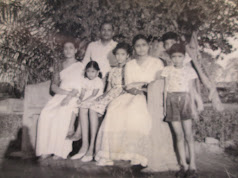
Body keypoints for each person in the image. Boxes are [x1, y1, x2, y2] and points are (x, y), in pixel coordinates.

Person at [94, 34, 165, 167]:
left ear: (148, 46)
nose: (141, 48)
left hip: (149, 95)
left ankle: (135, 153)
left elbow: (158, 82)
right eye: (138, 46)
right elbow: (128, 85)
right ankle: (112, 153)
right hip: (131, 94)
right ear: (134, 48)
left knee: (135, 111)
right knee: (115, 108)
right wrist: (137, 88)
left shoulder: (156, 62)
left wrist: (142, 86)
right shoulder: (130, 64)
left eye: (144, 45)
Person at [36, 37, 84, 160]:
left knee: (62, 114)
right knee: (45, 113)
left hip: (74, 96)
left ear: (76, 50)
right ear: (63, 50)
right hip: (60, 95)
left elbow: (80, 86)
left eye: (71, 48)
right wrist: (65, 93)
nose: (68, 51)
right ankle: (46, 149)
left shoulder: (81, 66)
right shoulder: (59, 65)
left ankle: (60, 151)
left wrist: (69, 96)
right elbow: (53, 86)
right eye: (65, 48)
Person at [161, 43, 203, 178]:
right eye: (174, 57)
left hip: (185, 101)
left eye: (180, 56)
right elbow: (165, 90)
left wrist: (195, 107)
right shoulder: (167, 70)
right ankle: (183, 165)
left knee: (188, 135)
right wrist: (164, 108)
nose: (177, 59)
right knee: (178, 135)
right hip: (171, 101)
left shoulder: (189, 71)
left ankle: (193, 165)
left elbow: (191, 90)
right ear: (170, 58)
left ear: (184, 57)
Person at [71, 61, 104, 162]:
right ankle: (84, 146)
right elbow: (83, 92)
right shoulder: (85, 80)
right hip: (87, 101)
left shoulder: (98, 81)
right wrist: (80, 99)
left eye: (93, 71)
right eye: (88, 71)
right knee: (81, 108)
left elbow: (94, 95)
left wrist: (84, 101)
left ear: (98, 72)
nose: (90, 74)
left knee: (90, 108)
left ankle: (91, 148)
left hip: (96, 100)